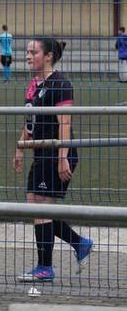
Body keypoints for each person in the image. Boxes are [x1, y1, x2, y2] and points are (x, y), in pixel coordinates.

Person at [14, 38, 93, 283]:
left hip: (57, 153)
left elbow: (65, 123)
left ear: (48, 56)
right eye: (27, 51)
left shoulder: (61, 83)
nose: (27, 56)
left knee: (41, 207)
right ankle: (80, 243)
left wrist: (63, 157)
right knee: (35, 204)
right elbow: (30, 121)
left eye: (33, 52)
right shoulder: (34, 84)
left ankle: (45, 267)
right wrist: (20, 147)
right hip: (41, 153)